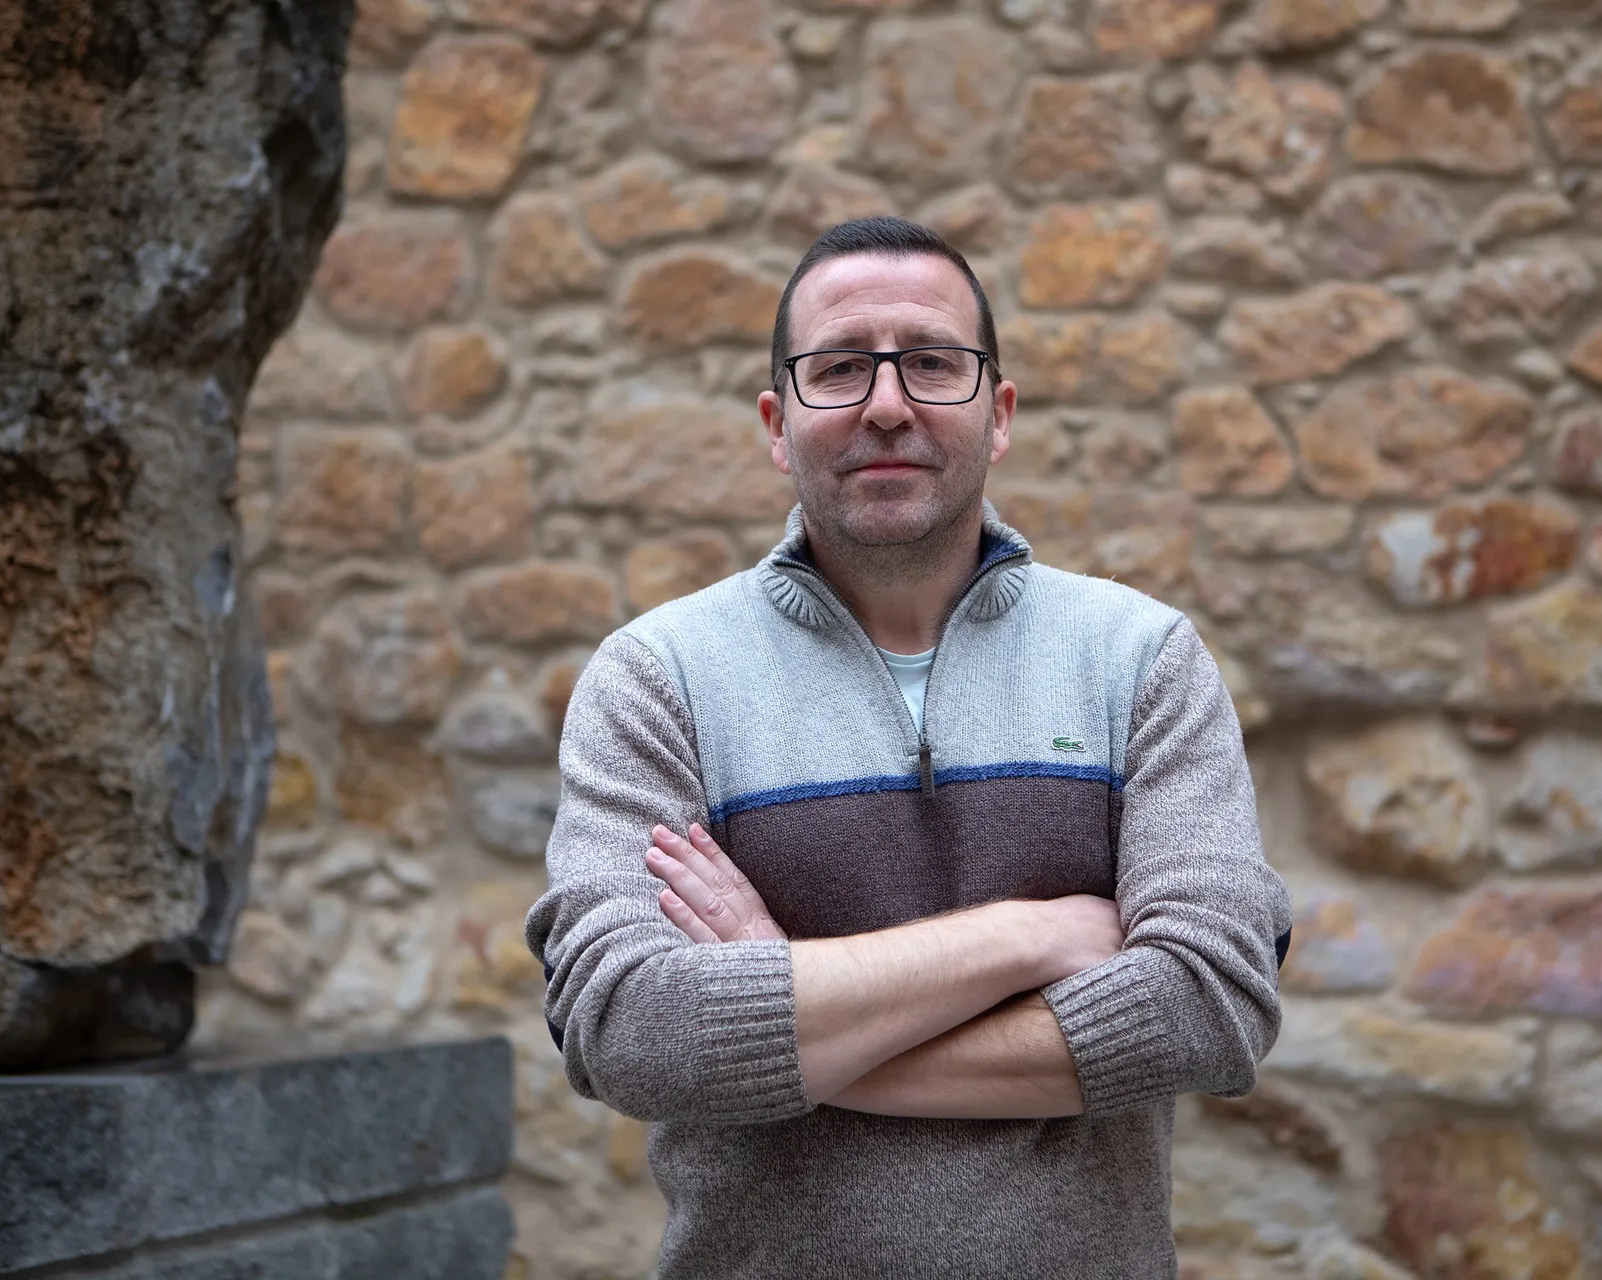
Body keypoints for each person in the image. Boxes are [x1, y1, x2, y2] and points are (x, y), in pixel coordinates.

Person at [525, 215, 1292, 1279]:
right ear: (777, 423)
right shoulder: (661, 678)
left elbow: (1209, 1007)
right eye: (839, 368)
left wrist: (777, 993)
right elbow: (629, 1031)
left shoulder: (1138, 660)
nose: (887, 404)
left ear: (999, 413)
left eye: (932, 362)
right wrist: (1025, 936)